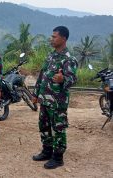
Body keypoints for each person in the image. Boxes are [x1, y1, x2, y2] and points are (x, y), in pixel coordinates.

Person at [32, 26, 78, 169]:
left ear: (63, 38)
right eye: (52, 36)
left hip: (58, 102)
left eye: (54, 37)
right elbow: (42, 76)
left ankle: (58, 158)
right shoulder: (50, 56)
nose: (51, 39)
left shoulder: (68, 59)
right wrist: (35, 93)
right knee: (44, 126)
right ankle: (47, 151)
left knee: (58, 128)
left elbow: (73, 79)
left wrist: (62, 78)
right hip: (45, 100)